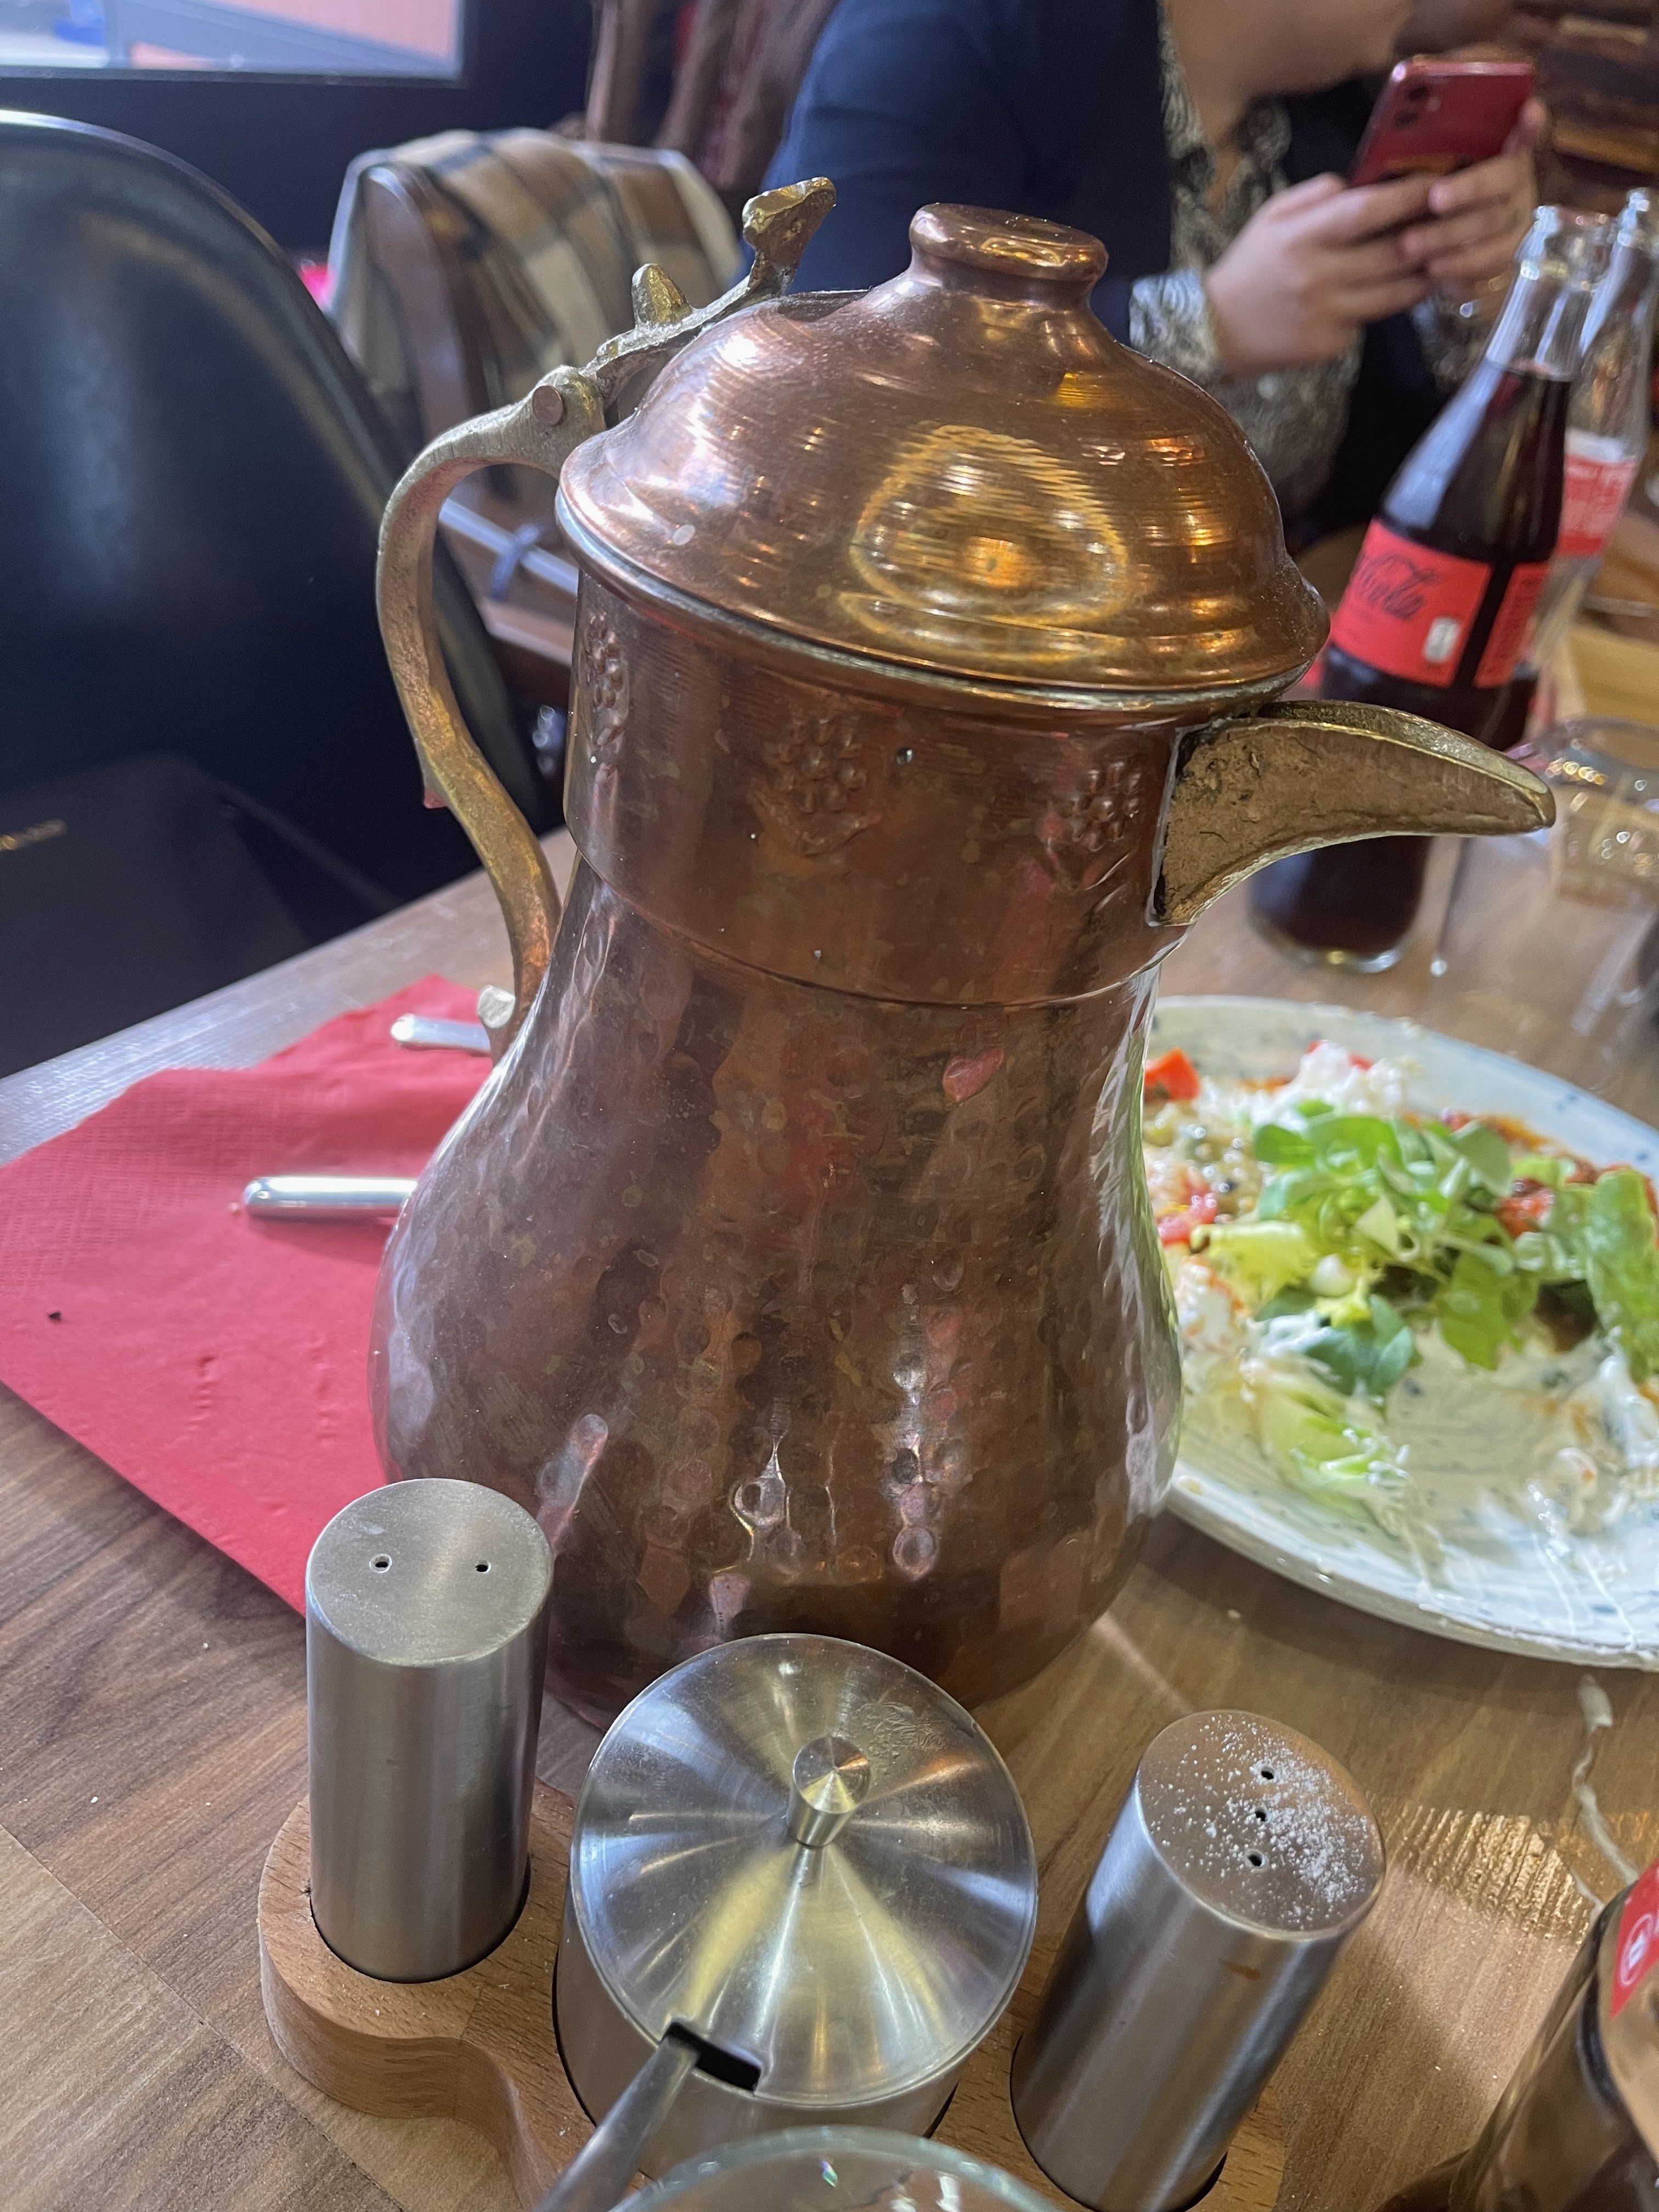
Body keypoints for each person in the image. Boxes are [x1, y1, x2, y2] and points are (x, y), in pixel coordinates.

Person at [766, 0, 1544, 532]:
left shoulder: (1327, 111)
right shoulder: (949, 34)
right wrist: (1206, 323)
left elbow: (1384, 474)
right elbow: (821, 372)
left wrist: (1465, 295)